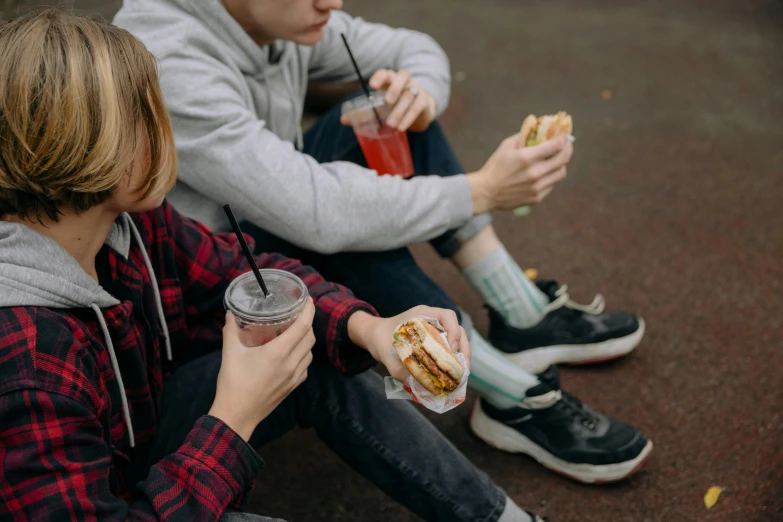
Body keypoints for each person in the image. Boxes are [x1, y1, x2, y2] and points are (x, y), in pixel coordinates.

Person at [0, 11, 562, 522]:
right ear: (103, 154)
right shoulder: (27, 356)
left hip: (144, 433)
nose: (170, 132)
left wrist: (373, 329)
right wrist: (233, 417)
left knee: (299, 349)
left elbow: (239, 271)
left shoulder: (127, 223)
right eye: (154, 117)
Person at [114, 0, 652, 483]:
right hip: (208, 285)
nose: (333, 1)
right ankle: (508, 394)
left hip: (279, 213)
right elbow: (314, 211)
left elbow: (413, 47)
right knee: (338, 223)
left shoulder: (278, 15)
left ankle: (521, 313)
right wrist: (482, 191)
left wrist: (419, 96)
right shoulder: (168, 56)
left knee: (388, 108)